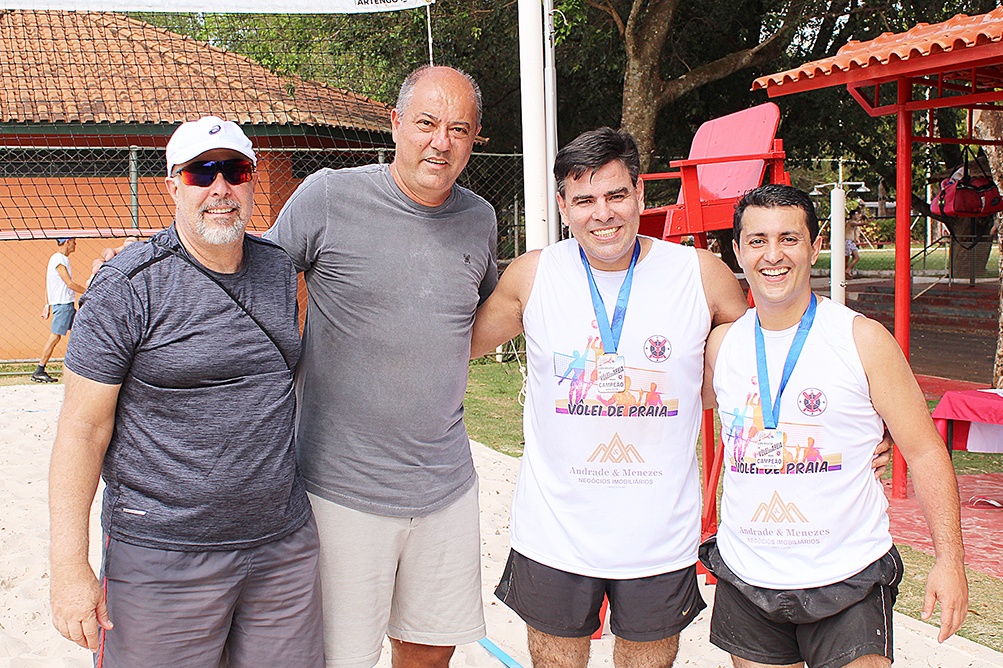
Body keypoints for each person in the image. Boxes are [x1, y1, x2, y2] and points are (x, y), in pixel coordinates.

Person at [469, 127, 751, 668]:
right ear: (562, 206)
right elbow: (453, 351)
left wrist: (864, 435)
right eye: (584, 200)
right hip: (556, 532)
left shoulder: (701, 277)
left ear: (640, 193)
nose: (603, 213)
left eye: (616, 195)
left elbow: (770, 362)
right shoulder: (534, 277)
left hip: (658, 533)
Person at [48, 116, 323, 667]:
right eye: (201, 173)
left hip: (280, 547)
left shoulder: (278, 269)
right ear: (173, 184)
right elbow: (82, 429)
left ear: (251, 181)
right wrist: (69, 567)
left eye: (234, 170)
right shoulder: (128, 285)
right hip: (161, 555)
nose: (220, 187)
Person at [264, 66, 497, 668]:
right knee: (339, 657)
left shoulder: (481, 220)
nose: (440, 142)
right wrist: (155, 262)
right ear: (395, 124)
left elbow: (475, 324)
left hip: (445, 487)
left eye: (459, 129)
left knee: (428, 651)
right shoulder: (327, 196)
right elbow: (248, 280)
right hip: (340, 489)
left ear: (474, 140)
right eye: (426, 123)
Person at [701, 184, 968, 668]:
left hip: (848, 576)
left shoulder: (861, 338)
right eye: (757, 240)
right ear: (737, 251)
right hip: (749, 577)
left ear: (816, 245)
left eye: (789, 238)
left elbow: (927, 451)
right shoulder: (721, 347)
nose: (773, 255)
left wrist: (950, 561)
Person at [32, 237, 86, 383]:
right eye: (74, 241)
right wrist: (89, 291)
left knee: (82, 332)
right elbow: (69, 283)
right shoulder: (60, 259)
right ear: (67, 242)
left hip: (65, 306)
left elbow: (48, 286)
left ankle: (82, 368)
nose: (75, 244)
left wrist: (47, 305)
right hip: (63, 306)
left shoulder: (56, 259)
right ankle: (39, 370)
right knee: (55, 337)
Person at [844, 205, 866, 279]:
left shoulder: (854, 221)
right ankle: (846, 272)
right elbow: (859, 224)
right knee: (846, 258)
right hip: (847, 241)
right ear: (853, 216)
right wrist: (867, 222)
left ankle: (848, 270)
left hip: (852, 242)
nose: (857, 216)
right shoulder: (851, 222)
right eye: (856, 214)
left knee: (857, 257)